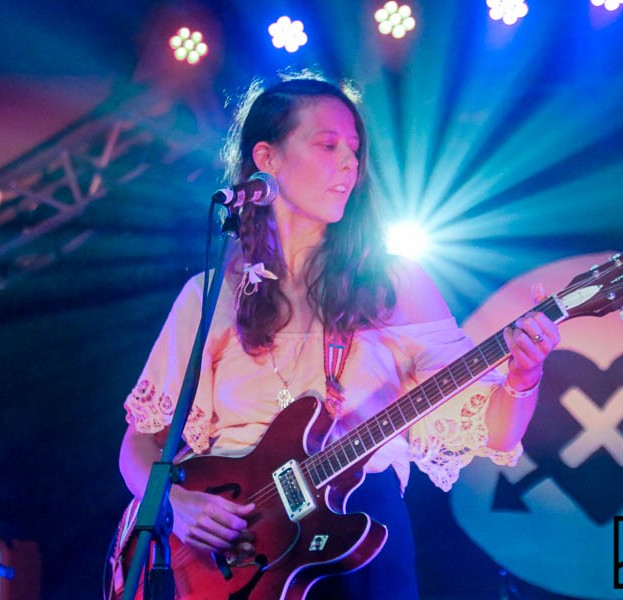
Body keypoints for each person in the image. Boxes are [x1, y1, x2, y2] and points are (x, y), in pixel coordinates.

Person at [117, 74, 560, 599]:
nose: (350, 163)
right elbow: (141, 442)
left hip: (359, 530)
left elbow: (496, 432)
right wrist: (175, 503)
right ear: (267, 158)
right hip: (233, 552)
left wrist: (524, 375)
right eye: (328, 145)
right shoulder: (211, 293)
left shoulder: (395, 285)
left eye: (354, 149)